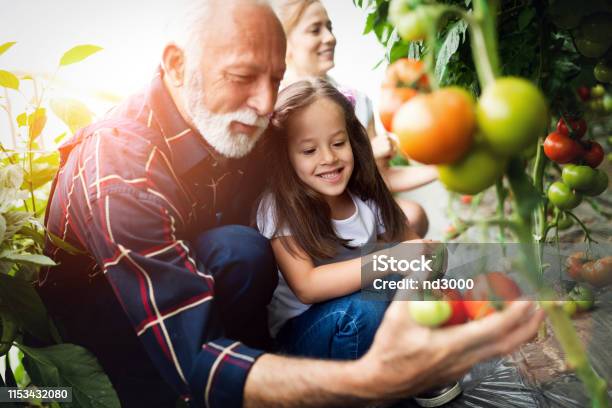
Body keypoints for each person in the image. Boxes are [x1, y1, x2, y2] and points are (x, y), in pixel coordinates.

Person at [39, 1, 544, 407]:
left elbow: (339, 169)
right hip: (120, 325)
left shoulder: (242, 123)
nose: (263, 103)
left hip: (204, 279)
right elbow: (196, 357)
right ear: (176, 64)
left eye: (275, 79)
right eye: (241, 76)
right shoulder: (122, 172)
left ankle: (272, 363)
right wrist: (370, 380)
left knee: (240, 250)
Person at [257, 78, 420, 358]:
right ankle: (357, 390)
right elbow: (307, 286)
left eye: (338, 143)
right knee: (361, 311)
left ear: (352, 140)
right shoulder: (278, 206)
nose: (329, 158)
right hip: (307, 331)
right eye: (309, 150)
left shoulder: (365, 194)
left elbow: (416, 247)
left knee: (416, 280)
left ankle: (410, 360)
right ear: (286, 156)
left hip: (362, 306)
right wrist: (392, 258)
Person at [273, 0, 438, 237]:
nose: (330, 37)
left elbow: (381, 179)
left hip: (354, 210)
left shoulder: (358, 102)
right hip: (305, 218)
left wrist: (442, 170)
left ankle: (377, 266)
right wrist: (365, 154)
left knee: (413, 215)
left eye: (330, 27)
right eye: (315, 29)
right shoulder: (274, 108)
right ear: (284, 42)